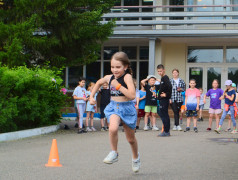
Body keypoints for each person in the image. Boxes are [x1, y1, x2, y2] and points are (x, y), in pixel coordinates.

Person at [89, 52, 141, 173]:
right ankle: (114, 152)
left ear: (125, 67)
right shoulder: (109, 77)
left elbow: (132, 95)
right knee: (112, 129)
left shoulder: (127, 77)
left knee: (131, 139)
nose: (115, 70)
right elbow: (98, 83)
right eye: (113, 67)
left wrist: (117, 86)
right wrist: (92, 96)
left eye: (118, 67)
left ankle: (135, 157)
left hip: (127, 108)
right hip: (114, 107)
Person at [157, 64, 172, 137]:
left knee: (164, 115)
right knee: (163, 115)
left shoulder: (165, 78)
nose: (159, 72)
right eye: (158, 71)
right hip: (161, 99)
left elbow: (170, 87)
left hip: (164, 100)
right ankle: (166, 131)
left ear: (164, 70)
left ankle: (166, 131)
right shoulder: (162, 78)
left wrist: (166, 95)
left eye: (160, 71)